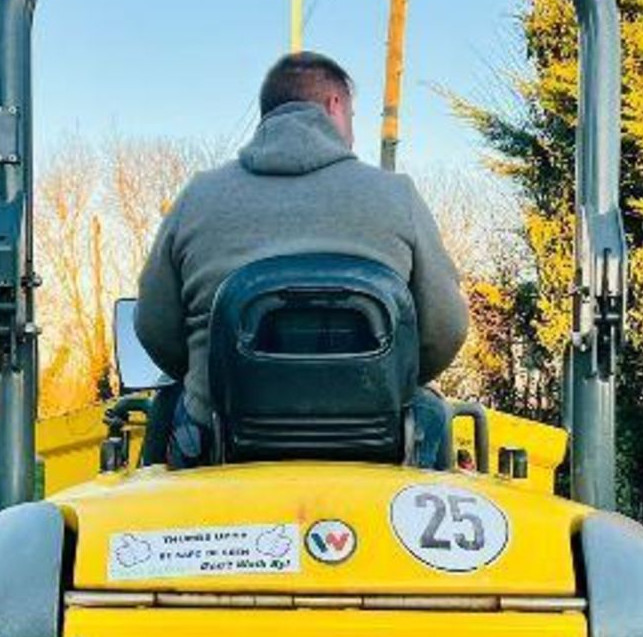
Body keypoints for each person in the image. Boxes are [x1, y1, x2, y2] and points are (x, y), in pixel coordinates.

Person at [134, 51, 468, 463]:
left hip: (222, 441)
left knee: (169, 407)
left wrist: (209, 371)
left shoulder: (199, 196)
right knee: (431, 410)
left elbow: (155, 327)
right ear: (334, 105)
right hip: (379, 442)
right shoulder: (398, 196)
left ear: (268, 113)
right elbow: (445, 330)